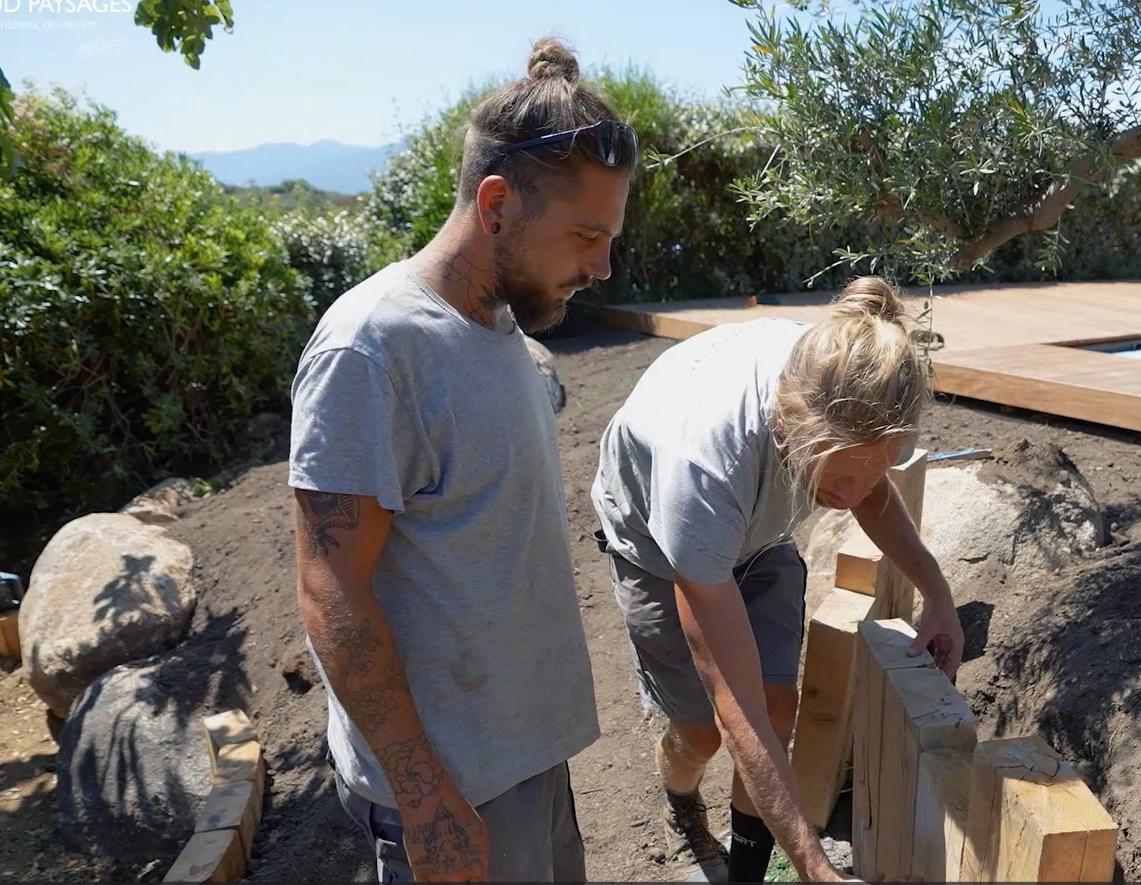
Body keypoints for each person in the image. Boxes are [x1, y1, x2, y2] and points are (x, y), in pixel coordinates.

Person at [288, 38, 636, 883]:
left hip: (522, 759)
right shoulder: (372, 349)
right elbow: (329, 590)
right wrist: (425, 798)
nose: (601, 265)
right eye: (587, 235)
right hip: (453, 791)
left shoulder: (501, 324)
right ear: (495, 205)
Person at [589, 277, 966, 883]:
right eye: (834, 478)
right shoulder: (703, 466)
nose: (848, 501)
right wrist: (817, 869)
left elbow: (868, 491)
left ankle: (745, 874)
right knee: (706, 733)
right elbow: (737, 715)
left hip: (755, 533)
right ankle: (680, 799)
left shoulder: (845, 375)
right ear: (789, 426)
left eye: (867, 476)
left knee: (778, 705)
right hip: (659, 548)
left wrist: (938, 593)